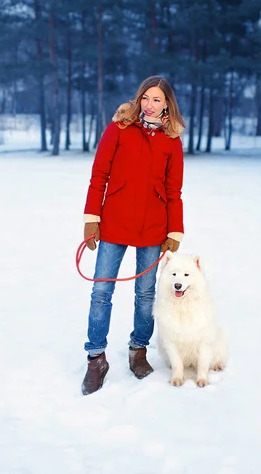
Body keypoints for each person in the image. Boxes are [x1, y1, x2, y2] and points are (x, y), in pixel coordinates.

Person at [81, 76, 185, 395]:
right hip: (114, 222)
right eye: (145, 98)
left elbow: (173, 189)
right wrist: (91, 219)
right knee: (101, 292)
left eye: (157, 99)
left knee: (146, 294)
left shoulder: (171, 140)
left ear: (167, 104)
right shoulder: (119, 129)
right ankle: (96, 358)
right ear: (139, 100)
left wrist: (174, 229)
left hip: (153, 228)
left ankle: (138, 350)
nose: (150, 104)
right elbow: (99, 174)